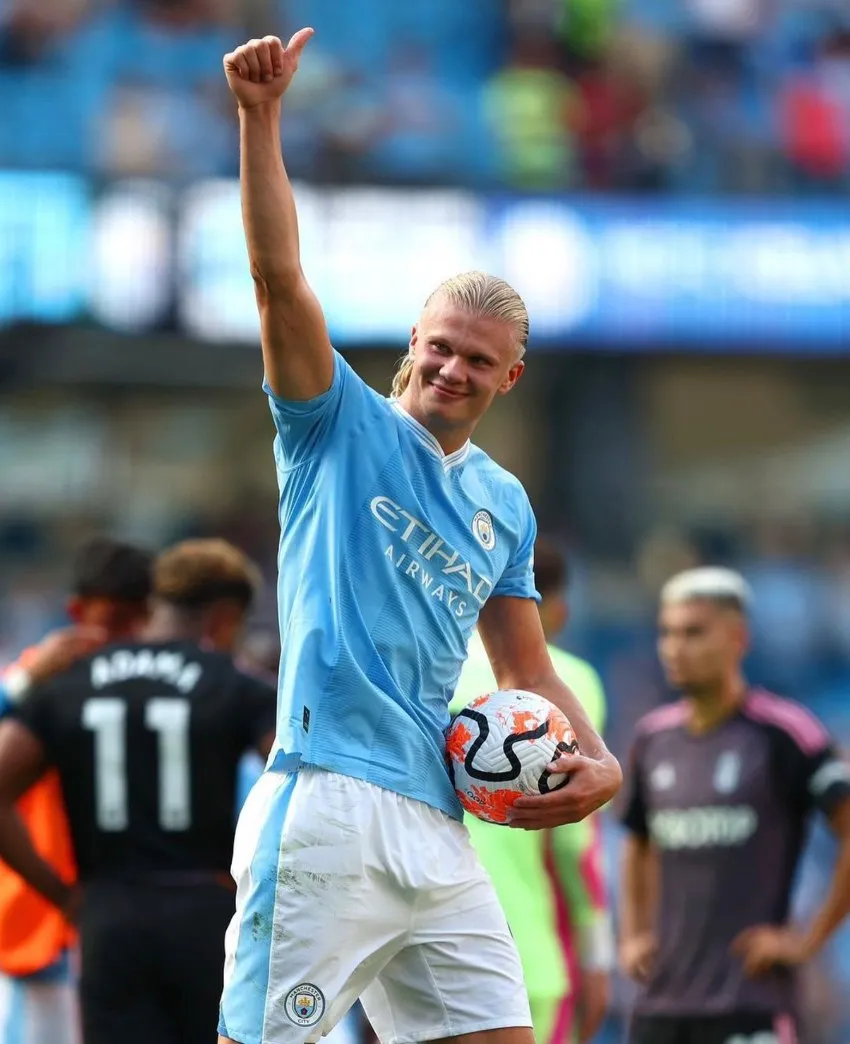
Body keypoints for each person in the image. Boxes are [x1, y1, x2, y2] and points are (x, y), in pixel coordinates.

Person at [216, 30, 621, 1044]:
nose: (451, 370)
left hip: (441, 821)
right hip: (326, 803)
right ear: (412, 341)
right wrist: (259, 120)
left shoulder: (504, 503)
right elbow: (277, 279)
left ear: (507, 379)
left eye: (477, 361)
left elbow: (525, 669)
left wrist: (603, 761)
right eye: (440, 348)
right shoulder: (332, 426)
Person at [0, 539, 278, 1044]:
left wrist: (61, 895)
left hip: (107, 915)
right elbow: (303, 782)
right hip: (206, 910)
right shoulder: (237, 684)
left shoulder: (70, 683)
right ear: (222, 618)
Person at [619, 567, 850, 1044]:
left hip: (750, 1003)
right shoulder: (653, 738)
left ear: (737, 638)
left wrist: (808, 940)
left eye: (693, 633)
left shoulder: (785, 733)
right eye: (667, 633)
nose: (674, 648)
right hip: (661, 1005)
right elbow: (638, 842)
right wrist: (635, 933)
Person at [450, 538, 614, 1044]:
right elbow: (574, 840)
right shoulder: (569, 680)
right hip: (524, 949)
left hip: (424, 930)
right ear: (557, 610)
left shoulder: (432, 669)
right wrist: (597, 952)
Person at [0, 537, 152, 1044]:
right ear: (76, 611)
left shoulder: (165, 686)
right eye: (113, 621)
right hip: (42, 925)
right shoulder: (33, 682)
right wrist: (22, 685)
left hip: (129, 921)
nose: (126, 636)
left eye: (140, 621)